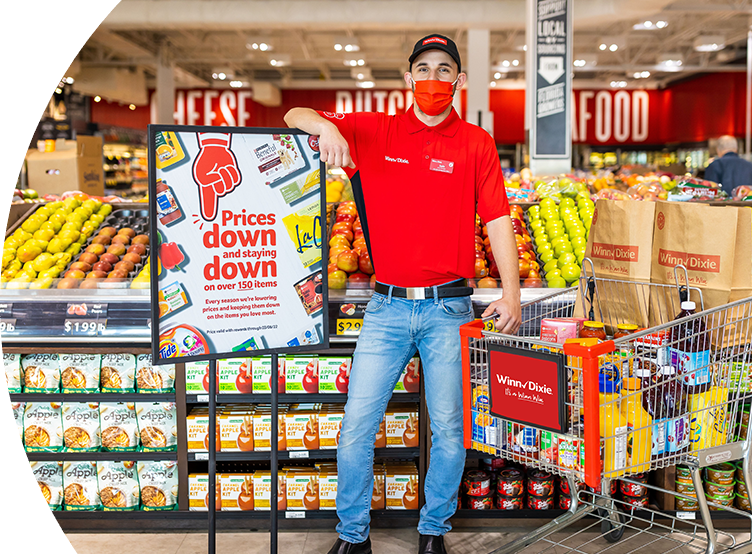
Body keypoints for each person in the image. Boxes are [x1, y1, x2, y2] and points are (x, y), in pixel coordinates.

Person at [285, 34, 521, 554]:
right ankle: (353, 536)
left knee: (450, 433)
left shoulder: (477, 143)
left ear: (459, 81)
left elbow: (500, 220)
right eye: (423, 68)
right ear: (408, 77)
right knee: (355, 429)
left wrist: (512, 293)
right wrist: (326, 126)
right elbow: (293, 114)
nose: (433, 78)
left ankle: (433, 530)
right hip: (386, 307)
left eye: (444, 70)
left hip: (449, 308)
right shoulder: (375, 129)